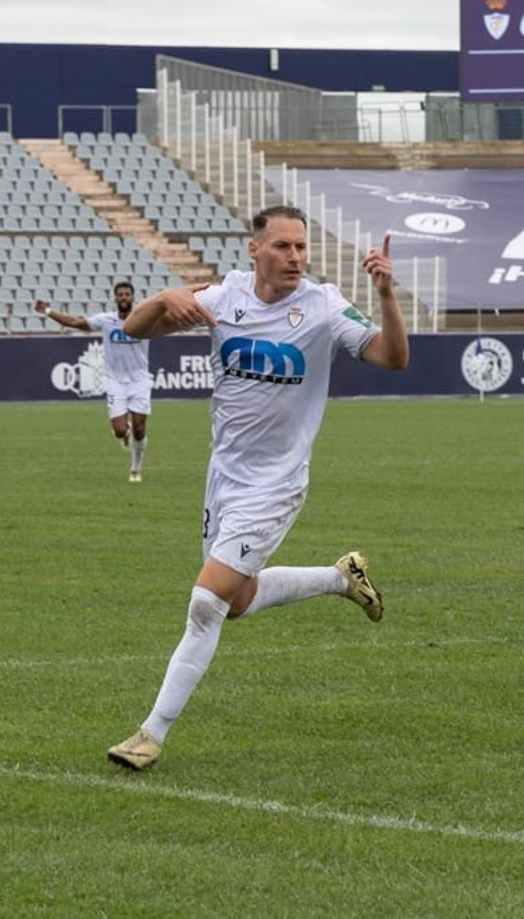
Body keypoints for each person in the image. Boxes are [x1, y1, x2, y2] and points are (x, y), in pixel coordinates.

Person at [105, 206, 409, 771]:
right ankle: (339, 578)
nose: (296, 258)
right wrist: (163, 298)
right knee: (236, 601)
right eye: (283, 247)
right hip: (224, 478)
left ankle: (149, 735)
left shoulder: (322, 305)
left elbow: (393, 357)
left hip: (276, 485)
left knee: (206, 603)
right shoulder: (225, 298)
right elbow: (132, 330)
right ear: (254, 250)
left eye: (301, 247)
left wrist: (387, 295)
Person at [35, 282, 152, 482]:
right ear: (115, 298)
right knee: (120, 430)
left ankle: (135, 468)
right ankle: (125, 433)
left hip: (139, 379)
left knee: (140, 428)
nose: (124, 297)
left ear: (133, 298)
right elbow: (76, 323)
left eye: (127, 294)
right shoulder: (106, 320)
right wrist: (47, 310)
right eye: (120, 295)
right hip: (115, 381)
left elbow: (169, 321)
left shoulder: (144, 320)